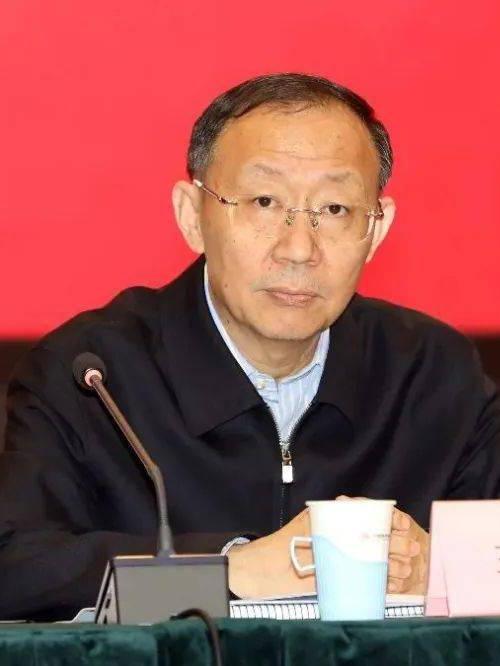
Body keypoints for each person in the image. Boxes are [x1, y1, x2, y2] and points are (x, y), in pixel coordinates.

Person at [1, 73, 499, 621]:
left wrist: (442, 569)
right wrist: (233, 570)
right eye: (264, 201)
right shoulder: (92, 377)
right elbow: (16, 571)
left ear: (376, 230)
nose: (299, 249)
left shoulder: (434, 374)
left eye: (335, 209)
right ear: (192, 216)